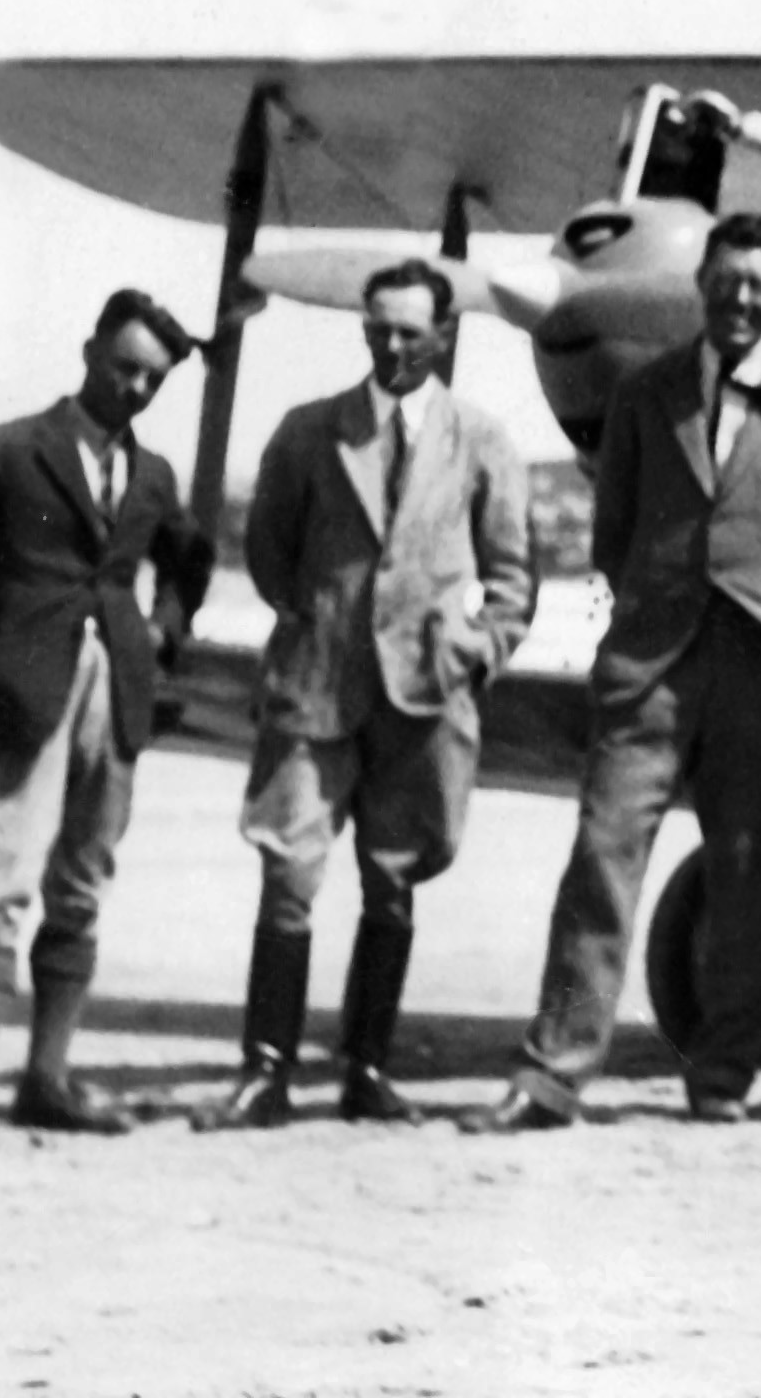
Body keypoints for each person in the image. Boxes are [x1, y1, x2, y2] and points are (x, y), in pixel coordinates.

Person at [466, 212, 761, 1131]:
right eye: (725, 281)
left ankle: (722, 1075)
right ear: (701, 286)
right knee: (600, 862)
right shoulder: (647, 394)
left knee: (756, 873)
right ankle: (553, 1072)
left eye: (759, 285)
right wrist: (661, 606)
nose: (740, 298)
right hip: (653, 666)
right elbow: (614, 534)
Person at [196, 259, 533, 1131]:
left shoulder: (482, 440)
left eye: (410, 332)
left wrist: (475, 652)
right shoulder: (310, 431)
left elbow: (512, 578)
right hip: (316, 687)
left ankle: (367, 1072)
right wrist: (322, 622)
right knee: (288, 871)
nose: (392, 346)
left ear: (444, 336)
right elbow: (269, 553)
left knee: (394, 879)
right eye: (378, 329)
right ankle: (265, 1073)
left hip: (423, 696)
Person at [0, 288, 210, 1153]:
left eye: (154, 380)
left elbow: (189, 558)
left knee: (81, 889)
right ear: (90, 351)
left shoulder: (153, 475)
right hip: (12, 696)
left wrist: (162, 635)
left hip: (114, 698)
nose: (136, 388)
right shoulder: (5, 449)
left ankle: (47, 1082)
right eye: (125, 367)